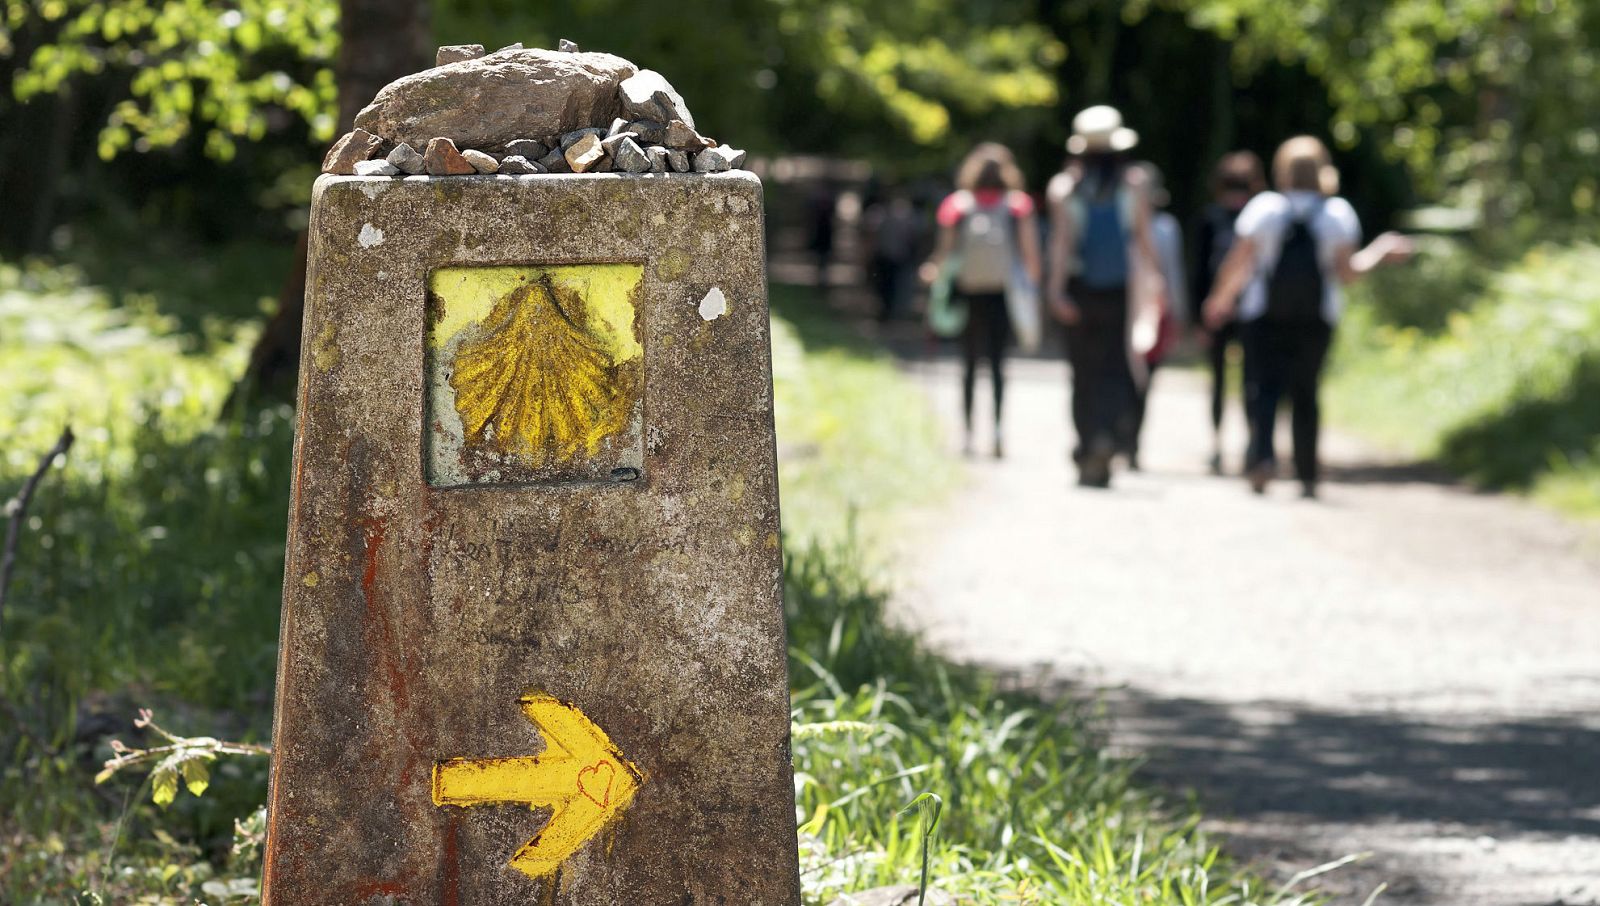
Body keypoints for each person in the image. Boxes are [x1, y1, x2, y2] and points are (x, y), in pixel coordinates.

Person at [1204, 136, 1412, 498]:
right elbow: (1347, 273)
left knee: (1263, 388)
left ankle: (1262, 459)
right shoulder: (1337, 213)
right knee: (1306, 392)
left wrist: (1219, 300)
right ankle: (1306, 473)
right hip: (1317, 317)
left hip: (1262, 315)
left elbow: (1238, 263)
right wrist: (1380, 250)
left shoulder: (1264, 208)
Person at [1046, 105, 1164, 487]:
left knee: (1083, 373)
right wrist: (1156, 284)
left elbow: (1062, 246)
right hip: (1119, 290)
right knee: (1115, 368)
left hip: (1080, 290)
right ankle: (1108, 438)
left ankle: (1087, 444)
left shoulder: (1064, 188)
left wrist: (1055, 291)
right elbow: (1144, 240)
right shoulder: (1135, 185)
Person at [921, 142, 1043, 458]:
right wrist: (1035, 289)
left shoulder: (957, 205)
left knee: (969, 365)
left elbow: (945, 253)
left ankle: (968, 434)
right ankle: (999, 432)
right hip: (1003, 293)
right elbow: (1030, 256)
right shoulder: (1018, 206)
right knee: (1000, 364)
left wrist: (932, 275)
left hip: (968, 291)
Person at [1192, 151, 1267, 474]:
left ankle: (1217, 446)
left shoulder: (1210, 217)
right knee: (1254, 380)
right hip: (1253, 308)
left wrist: (1199, 316)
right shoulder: (1260, 216)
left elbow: (1198, 270)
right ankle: (1253, 444)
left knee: (1219, 381)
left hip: (1215, 310)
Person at [1123, 162, 1186, 471]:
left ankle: (1131, 443)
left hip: (1152, 310)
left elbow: (1172, 274)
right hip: (1132, 310)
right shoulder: (1157, 228)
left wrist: (1175, 314)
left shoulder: (1164, 227)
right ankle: (1125, 441)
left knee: (1142, 380)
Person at [862, 184, 921, 322]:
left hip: (893, 257)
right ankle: (886, 310)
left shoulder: (903, 217)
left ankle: (888, 311)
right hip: (886, 257)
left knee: (889, 286)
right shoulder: (881, 214)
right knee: (886, 286)